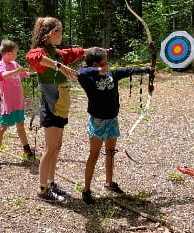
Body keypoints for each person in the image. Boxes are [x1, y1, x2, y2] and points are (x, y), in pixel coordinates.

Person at [77, 47, 150, 204]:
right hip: (98, 121)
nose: (107, 65)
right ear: (95, 64)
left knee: (110, 152)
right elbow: (80, 72)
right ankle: (86, 189)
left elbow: (128, 70)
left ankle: (109, 183)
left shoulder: (112, 74)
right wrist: (98, 71)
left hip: (112, 119)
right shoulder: (87, 77)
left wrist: (147, 69)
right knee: (94, 154)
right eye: (103, 63)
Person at [26, 16, 85, 203]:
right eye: (61, 31)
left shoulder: (54, 52)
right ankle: (42, 190)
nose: (62, 35)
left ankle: (51, 183)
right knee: (50, 148)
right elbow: (32, 57)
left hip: (60, 105)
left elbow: (70, 53)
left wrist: (90, 51)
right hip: (51, 105)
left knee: (57, 147)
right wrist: (59, 67)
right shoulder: (42, 52)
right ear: (53, 33)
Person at [0, 39, 39, 169]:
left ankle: (27, 149)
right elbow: (3, 75)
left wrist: (38, 72)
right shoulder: (1, 64)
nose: (17, 54)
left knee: (21, 126)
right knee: (2, 128)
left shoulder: (14, 63)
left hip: (18, 102)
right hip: (9, 104)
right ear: (8, 53)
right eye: (15, 52)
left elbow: (26, 74)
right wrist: (16, 71)